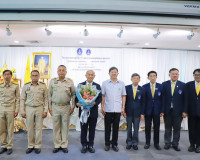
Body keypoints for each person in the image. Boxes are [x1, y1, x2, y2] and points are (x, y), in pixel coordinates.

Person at [48, 65, 75, 153]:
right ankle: (57, 144)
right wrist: (49, 107)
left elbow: (73, 95)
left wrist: (73, 106)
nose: (61, 72)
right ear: (57, 72)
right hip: (55, 107)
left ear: (66, 72)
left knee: (65, 127)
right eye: (59, 70)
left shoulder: (70, 82)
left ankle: (64, 144)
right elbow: (49, 95)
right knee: (56, 127)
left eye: (63, 70)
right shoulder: (52, 81)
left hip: (66, 107)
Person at [20, 70, 48, 154]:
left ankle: (37, 146)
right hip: (29, 108)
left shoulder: (43, 86)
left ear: (39, 76)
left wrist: (45, 110)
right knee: (30, 128)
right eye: (33, 75)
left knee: (39, 128)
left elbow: (46, 99)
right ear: (30, 76)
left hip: (39, 108)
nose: (35, 77)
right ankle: (30, 145)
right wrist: (22, 110)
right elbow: (22, 99)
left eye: (36, 75)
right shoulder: (26, 86)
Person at [161, 68, 187, 151]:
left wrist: (185, 111)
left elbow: (185, 99)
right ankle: (167, 143)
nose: (175, 75)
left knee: (177, 128)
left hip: (178, 111)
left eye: (176, 74)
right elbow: (162, 98)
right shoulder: (164, 84)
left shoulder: (183, 85)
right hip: (167, 110)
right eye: (173, 73)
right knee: (167, 128)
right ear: (169, 75)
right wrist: (162, 110)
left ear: (178, 75)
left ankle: (175, 144)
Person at [75, 70, 102, 153]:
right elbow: (76, 98)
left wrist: (95, 102)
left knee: (92, 129)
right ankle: (84, 145)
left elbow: (100, 98)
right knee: (83, 129)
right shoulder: (80, 85)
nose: (90, 76)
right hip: (83, 111)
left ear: (94, 76)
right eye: (89, 74)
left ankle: (90, 145)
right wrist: (78, 104)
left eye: (92, 75)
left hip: (93, 111)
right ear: (86, 75)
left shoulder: (97, 86)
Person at [101, 66, 126, 152]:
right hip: (108, 109)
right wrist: (102, 107)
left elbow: (123, 96)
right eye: (112, 72)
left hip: (118, 110)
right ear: (109, 73)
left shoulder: (121, 83)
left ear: (117, 73)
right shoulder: (105, 83)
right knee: (107, 128)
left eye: (115, 72)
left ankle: (114, 144)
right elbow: (103, 96)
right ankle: (107, 144)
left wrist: (123, 107)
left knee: (116, 128)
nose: (114, 73)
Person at [0, 70, 20, 155]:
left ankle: (9, 146)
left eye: (8, 74)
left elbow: (18, 99)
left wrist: (16, 110)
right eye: (5, 75)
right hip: (1, 108)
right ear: (3, 76)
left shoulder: (15, 86)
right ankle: (4, 145)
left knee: (10, 128)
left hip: (10, 108)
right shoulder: (0, 86)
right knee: (2, 129)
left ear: (11, 76)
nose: (7, 76)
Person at [124, 73, 145, 150]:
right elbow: (124, 101)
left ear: (139, 80)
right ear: (131, 79)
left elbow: (143, 102)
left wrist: (142, 113)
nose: (136, 80)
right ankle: (129, 142)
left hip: (137, 113)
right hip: (128, 112)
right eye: (134, 78)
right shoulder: (126, 88)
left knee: (136, 129)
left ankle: (135, 143)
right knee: (129, 128)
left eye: (137, 78)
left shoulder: (142, 89)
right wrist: (124, 110)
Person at [143, 71, 162, 150]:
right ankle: (147, 142)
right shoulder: (144, 87)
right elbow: (143, 101)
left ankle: (156, 143)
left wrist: (162, 111)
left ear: (156, 77)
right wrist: (142, 112)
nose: (152, 77)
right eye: (151, 76)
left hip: (157, 110)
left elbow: (163, 100)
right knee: (147, 127)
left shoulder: (161, 86)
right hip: (147, 111)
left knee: (157, 127)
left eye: (154, 76)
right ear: (148, 78)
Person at [186, 68, 200, 153]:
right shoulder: (188, 85)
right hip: (191, 112)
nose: (197, 76)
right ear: (193, 76)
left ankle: (198, 145)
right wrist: (185, 111)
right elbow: (185, 99)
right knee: (191, 129)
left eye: (199, 75)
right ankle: (192, 144)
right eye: (196, 75)